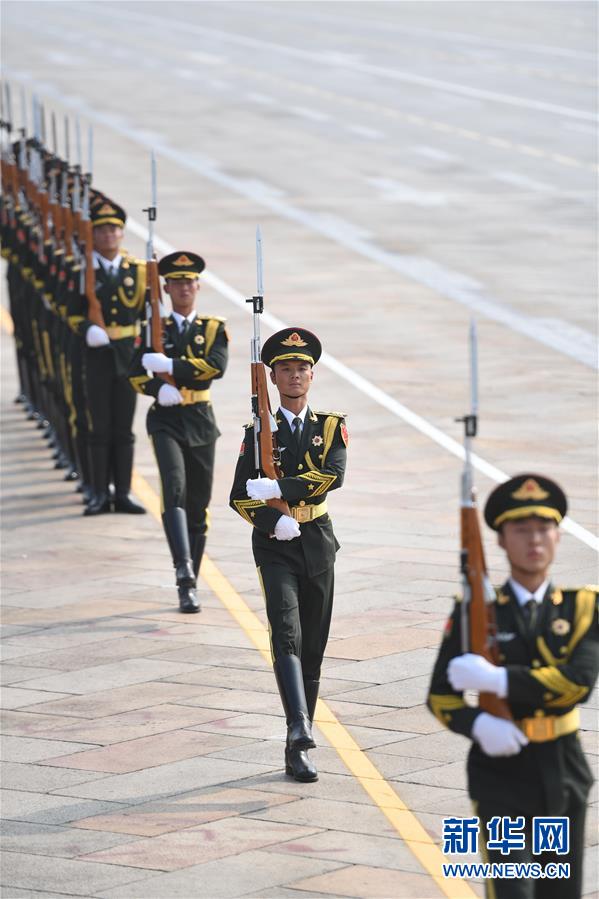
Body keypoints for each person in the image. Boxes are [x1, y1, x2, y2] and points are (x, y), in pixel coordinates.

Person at [427, 474, 598, 899]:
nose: (534, 540)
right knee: (512, 892)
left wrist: (498, 680)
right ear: (501, 541)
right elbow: (441, 696)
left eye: (544, 529)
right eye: (521, 530)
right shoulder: (476, 612)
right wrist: (477, 725)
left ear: (559, 536)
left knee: (559, 892)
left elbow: (576, 684)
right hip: (500, 775)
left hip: (562, 770)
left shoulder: (584, 608)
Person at [230, 328, 348, 782]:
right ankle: (296, 728)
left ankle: (300, 741)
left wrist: (282, 488)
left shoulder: (330, 426)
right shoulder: (258, 430)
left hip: (316, 537)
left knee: (313, 646)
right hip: (276, 545)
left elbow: (332, 476)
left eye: (302, 368)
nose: (294, 375)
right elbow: (239, 495)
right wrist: (269, 519)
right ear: (274, 378)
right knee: (286, 633)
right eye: (285, 369)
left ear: (312, 376)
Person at [129, 251, 228, 613]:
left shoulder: (213, 328)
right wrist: (157, 389)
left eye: (190, 282)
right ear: (166, 287)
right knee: (174, 487)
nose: (184, 287)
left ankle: (193, 582)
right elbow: (134, 372)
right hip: (166, 420)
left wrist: (171, 366)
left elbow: (214, 367)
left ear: (197, 286)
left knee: (198, 505)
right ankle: (183, 573)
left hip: (200, 419)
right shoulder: (153, 328)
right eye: (177, 282)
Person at [70, 198, 147, 516]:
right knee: (99, 426)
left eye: (114, 229)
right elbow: (69, 309)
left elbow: (147, 315)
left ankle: (123, 493)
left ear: (122, 234)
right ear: (93, 234)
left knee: (124, 429)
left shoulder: (138, 271)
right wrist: (87, 327)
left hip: (127, 355)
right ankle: (99, 493)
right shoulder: (81, 270)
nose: (108, 235)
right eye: (101, 230)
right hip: (97, 356)